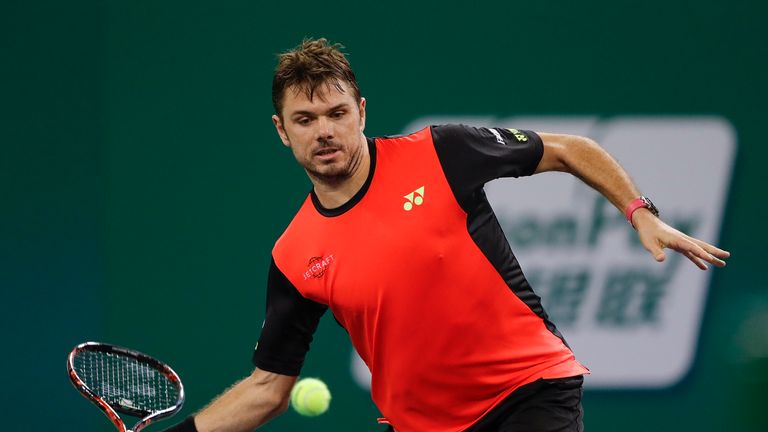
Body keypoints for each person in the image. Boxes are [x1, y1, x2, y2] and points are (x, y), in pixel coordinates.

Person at [164, 38, 730, 432]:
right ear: (281, 132)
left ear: (362, 111)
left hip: (528, 390)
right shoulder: (294, 256)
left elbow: (567, 149)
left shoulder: (440, 152)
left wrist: (640, 212)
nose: (325, 131)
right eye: (306, 120)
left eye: (337, 113)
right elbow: (268, 389)